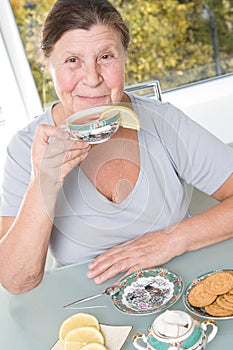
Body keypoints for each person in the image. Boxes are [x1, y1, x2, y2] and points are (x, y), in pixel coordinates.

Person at [1, 0, 233, 295]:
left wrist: (171, 240)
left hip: (180, 293)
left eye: (106, 57)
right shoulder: (25, 148)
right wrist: (43, 181)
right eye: (72, 60)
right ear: (48, 64)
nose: (92, 78)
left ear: (125, 58)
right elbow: (16, 280)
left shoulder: (163, 121)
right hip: (88, 306)